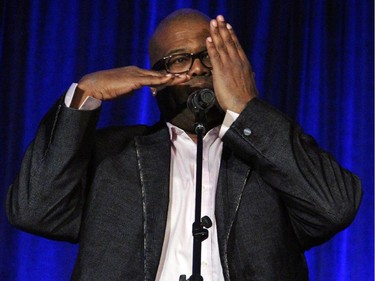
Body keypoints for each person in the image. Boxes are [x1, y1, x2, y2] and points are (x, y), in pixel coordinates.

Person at [6, 8, 362, 281]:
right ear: (155, 81)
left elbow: (335, 206)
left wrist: (247, 107)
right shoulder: (113, 157)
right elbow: (34, 209)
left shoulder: (273, 152)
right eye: (179, 59)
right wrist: (83, 96)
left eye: (210, 55)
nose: (196, 70)